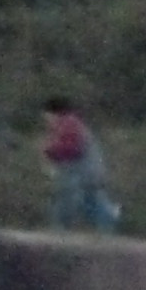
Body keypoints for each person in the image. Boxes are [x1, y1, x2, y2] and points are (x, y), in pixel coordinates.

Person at [42, 97, 120, 232]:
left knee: (68, 199)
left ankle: (60, 230)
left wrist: (50, 150)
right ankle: (109, 221)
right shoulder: (72, 123)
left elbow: (71, 148)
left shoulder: (68, 124)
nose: (46, 120)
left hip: (81, 172)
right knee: (91, 200)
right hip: (89, 170)